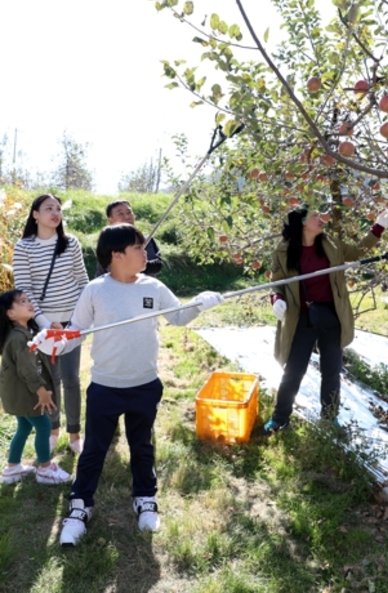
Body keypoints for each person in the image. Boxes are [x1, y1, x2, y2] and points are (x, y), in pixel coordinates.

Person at [31, 223, 223, 546]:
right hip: (105, 387)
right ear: (117, 255)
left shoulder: (154, 287)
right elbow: (75, 332)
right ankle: (79, 508)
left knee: (142, 445)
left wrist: (200, 304)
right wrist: (53, 342)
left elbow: (177, 317)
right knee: (94, 449)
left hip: (145, 385)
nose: (145, 252)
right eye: (138, 247)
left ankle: (145, 498)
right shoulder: (95, 290)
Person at [262, 207, 388, 435]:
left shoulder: (330, 244)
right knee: (294, 371)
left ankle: (329, 418)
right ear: (303, 224)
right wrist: (277, 299)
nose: (320, 219)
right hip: (301, 318)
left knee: (331, 371)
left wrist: (378, 226)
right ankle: (280, 418)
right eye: (315, 216)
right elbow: (276, 282)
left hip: (331, 316)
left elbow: (357, 251)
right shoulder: (284, 251)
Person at [12, 194, 89, 454]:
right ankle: (54, 429)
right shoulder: (24, 247)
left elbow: (83, 282)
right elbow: (24, 289)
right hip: (43, 325)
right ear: (35, 214)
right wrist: (45, 324)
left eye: (58, 208)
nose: (55, 213)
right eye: (48, 208)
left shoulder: (71, 243)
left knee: (72, 379)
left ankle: (75, 434)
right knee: (52, 379)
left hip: (72, 322)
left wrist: (81, 319)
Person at [0, 290, 71, 485]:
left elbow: (44, 338)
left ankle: (12, 468)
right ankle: (46, 469)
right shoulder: (19, 339)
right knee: (44, 426)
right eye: (22, 302)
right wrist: (42, 392)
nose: (29, 303)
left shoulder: (21, 333)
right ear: (10, 313)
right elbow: (27, 370)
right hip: (27, 393)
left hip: (16, 393)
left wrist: (56, 330)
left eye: (28, 300)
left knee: (23, 427)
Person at [95, 200, 162, 277]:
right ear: (110, 220)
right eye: (120, 214)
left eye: (129, 212)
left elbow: (157, 265)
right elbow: (101, 272)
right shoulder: (107, 242)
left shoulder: (145, 239)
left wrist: (136, 265)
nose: (127, 217)